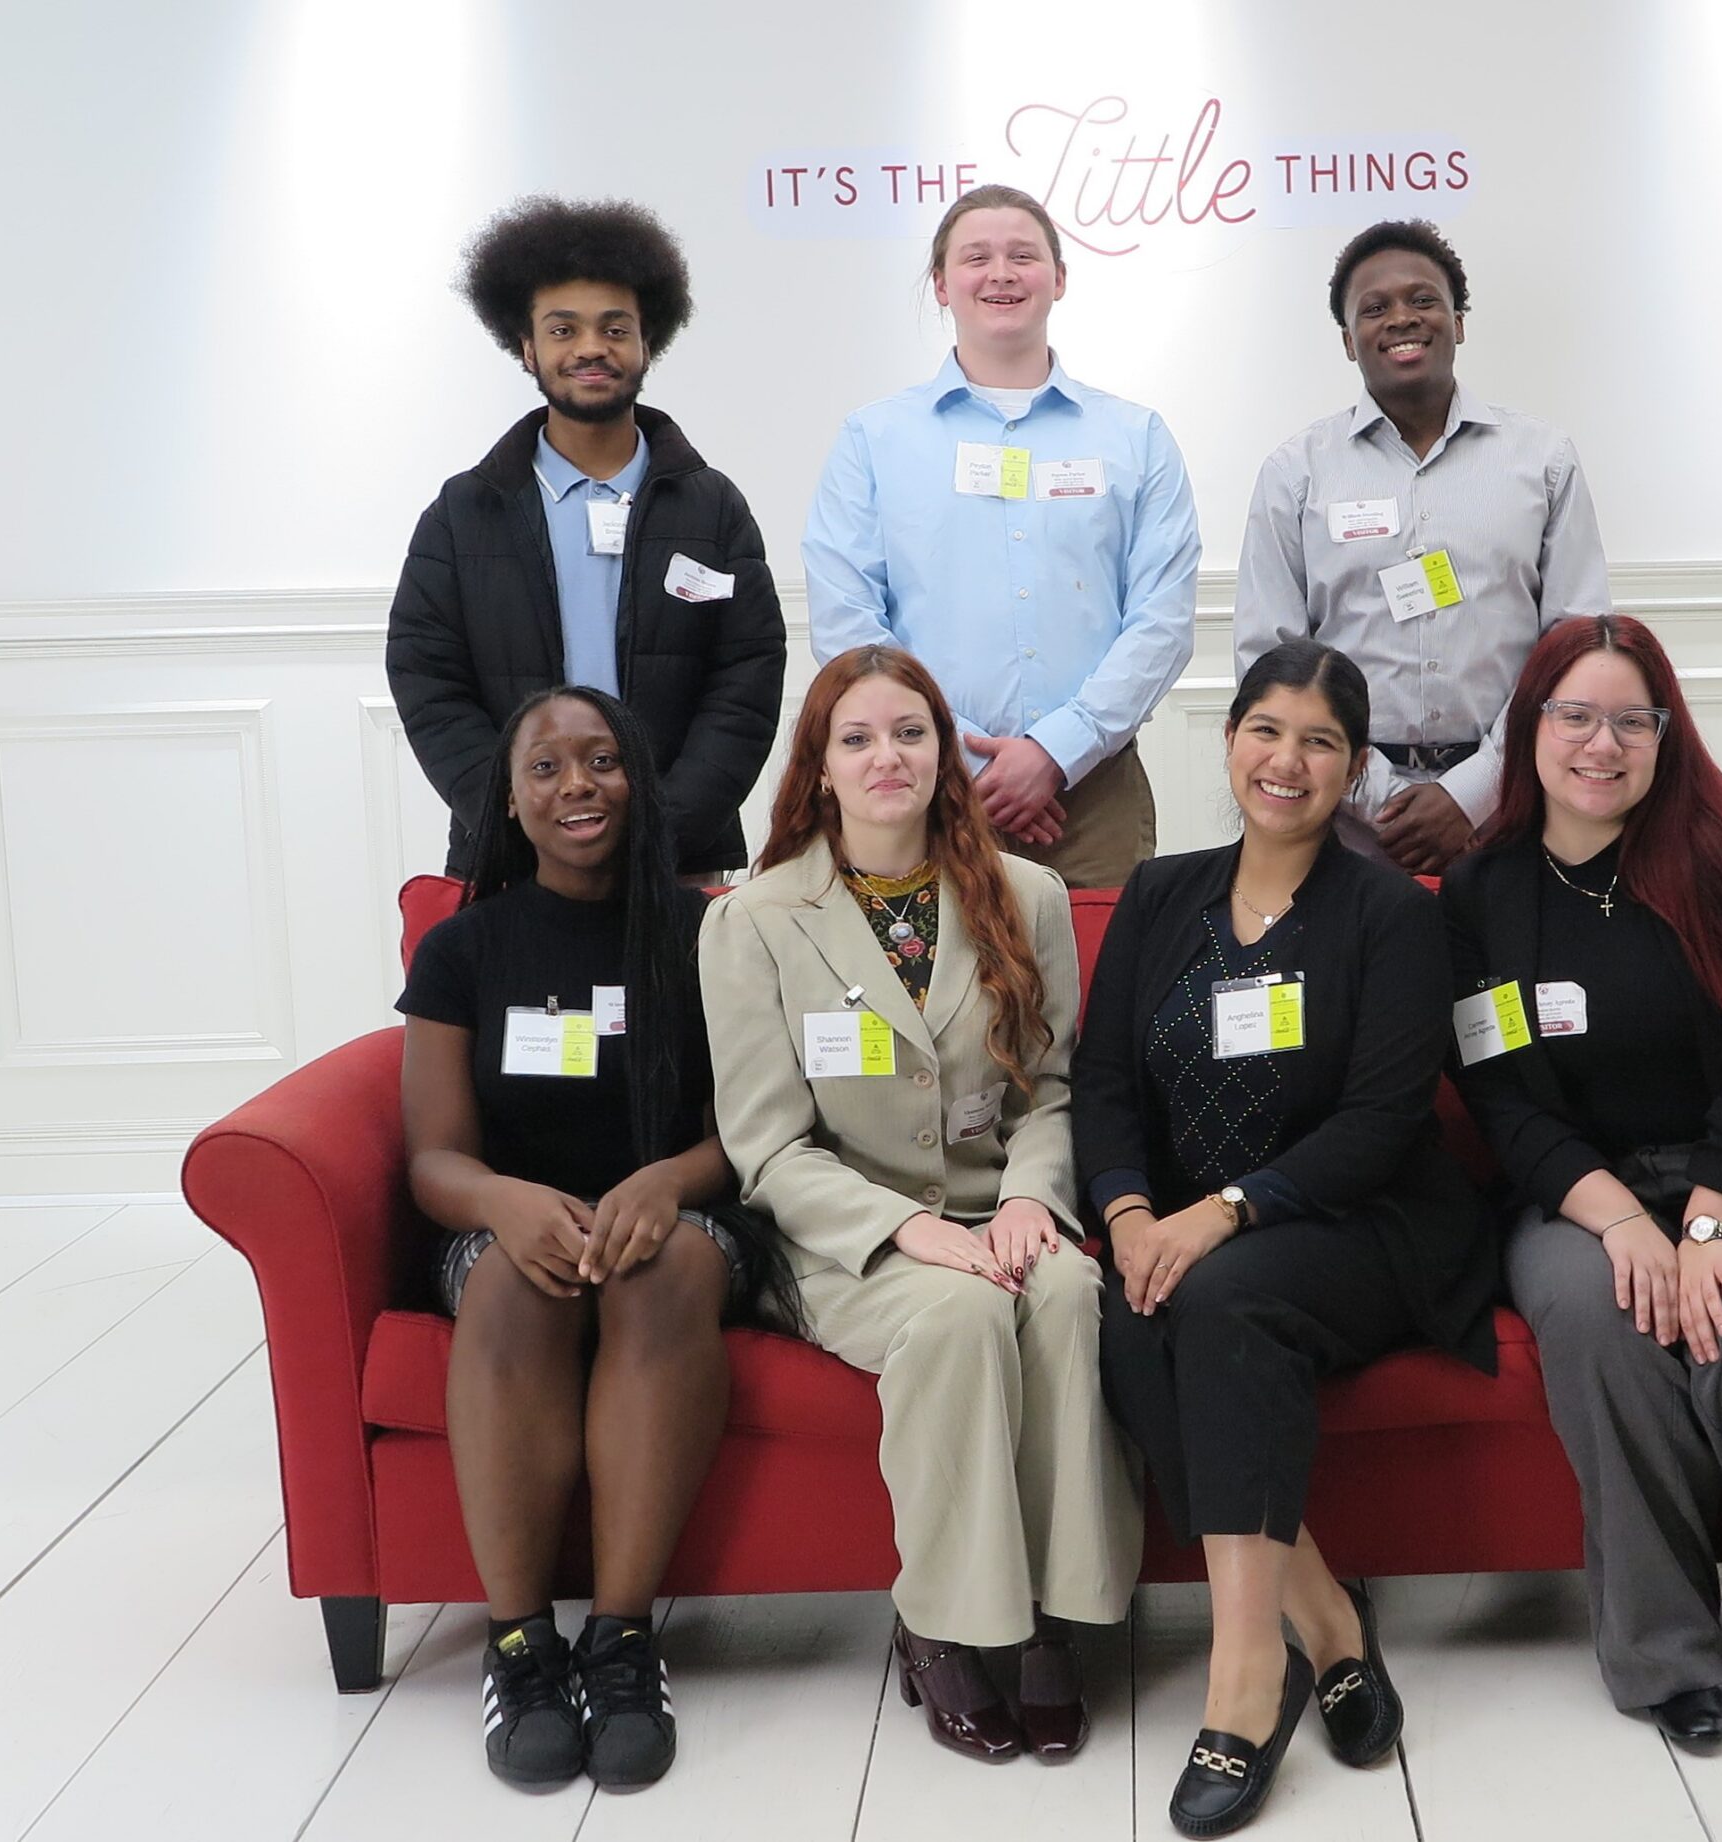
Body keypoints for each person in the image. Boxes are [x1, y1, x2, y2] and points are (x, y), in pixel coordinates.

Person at [1076, 640, 1498, 1836]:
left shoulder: (1386, 917)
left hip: (1358, 1222)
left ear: (1353, 768)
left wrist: (1219, 1214)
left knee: (1220, 1300)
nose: (1287, 760)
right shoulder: (1162, 895)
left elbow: (1380, 1121)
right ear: (1227, 744)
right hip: (1175, 1223)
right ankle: (1326, 1618)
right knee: (1115, 1307)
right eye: (1266, 730)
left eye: (1319, 742)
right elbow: (1102, 1085)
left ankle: (1243, 1680)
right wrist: (1126, 1216)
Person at [1437, 614, 1722, 1751]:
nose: (1603, 743)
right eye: (1575, 715)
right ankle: (1663, 1656)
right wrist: (1625, 1222)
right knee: (1595, 1315)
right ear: (1528, 728)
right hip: (1578, 1194)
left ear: (1665, 734)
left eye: (1633, 720)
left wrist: (1707, 1228)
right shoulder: (1483, 889)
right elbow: (1504, 1098)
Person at [698, 644, 1141, 1763]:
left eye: (909, 732)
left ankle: (1050, 1619)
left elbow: (1051, 1092)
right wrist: (912, 1231)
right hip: (844, 1239)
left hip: (1004, 1212)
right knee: (956, 1314)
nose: (885, 755)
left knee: (1068, 1293)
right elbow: (765, 1146)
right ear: (820, 767)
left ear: (945, 754)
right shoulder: (751, 922)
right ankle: (943, 1627)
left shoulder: (1025, 893)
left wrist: (1033, 1204)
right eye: (856, 738)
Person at [396, 686, 788, 1790]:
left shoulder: (710, 929)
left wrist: (666, 1181)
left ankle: (620, 1642)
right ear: (510, 802)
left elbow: (748, 1135)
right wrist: (504, 1203)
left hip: (685, 1216)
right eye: (548, 768)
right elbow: (432, 1158)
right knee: (519, 1289)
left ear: (639, 782)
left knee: (655, 1277)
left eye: (603, 761)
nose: (578, 785)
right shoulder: (461, 948)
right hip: (506, 1223)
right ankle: (520, 1645)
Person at [803, 184, 1201, 889]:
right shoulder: (874, 439)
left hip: (1095, 791)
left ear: (1060, 278)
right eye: (976, 257)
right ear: (941, 285)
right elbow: (847, 620)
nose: (1001, 273)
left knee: (1101, 992)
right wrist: (960, 755)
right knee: (931, 997)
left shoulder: (1135, 437)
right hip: (923, 785)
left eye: (1024, 255)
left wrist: (1056, 752)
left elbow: (1162, 624)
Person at [388, 195, 785, 882]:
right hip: (515, 859)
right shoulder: (463, 513)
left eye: (614, 328)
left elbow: (745, 680)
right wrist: (518, 811)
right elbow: (428, 681)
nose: (591, 349)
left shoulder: (712, 506)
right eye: (563, 329)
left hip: (679, 860)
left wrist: (666, 823)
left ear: (647, 344)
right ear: (526, 348)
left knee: (684, 997)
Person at [1233, 218, 1609, 874]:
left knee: (1502, 980)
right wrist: (1378, 797)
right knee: (1360, 980)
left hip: (1510, 806)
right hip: (1339, 815)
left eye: (1424, 300)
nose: (1401, 318)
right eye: (1374, 309)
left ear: (1458, 322)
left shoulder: (1543, 461)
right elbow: (1271, 662)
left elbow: (1576, 651)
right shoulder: (1295, 474)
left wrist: (1471, 795)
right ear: (1350, 342)